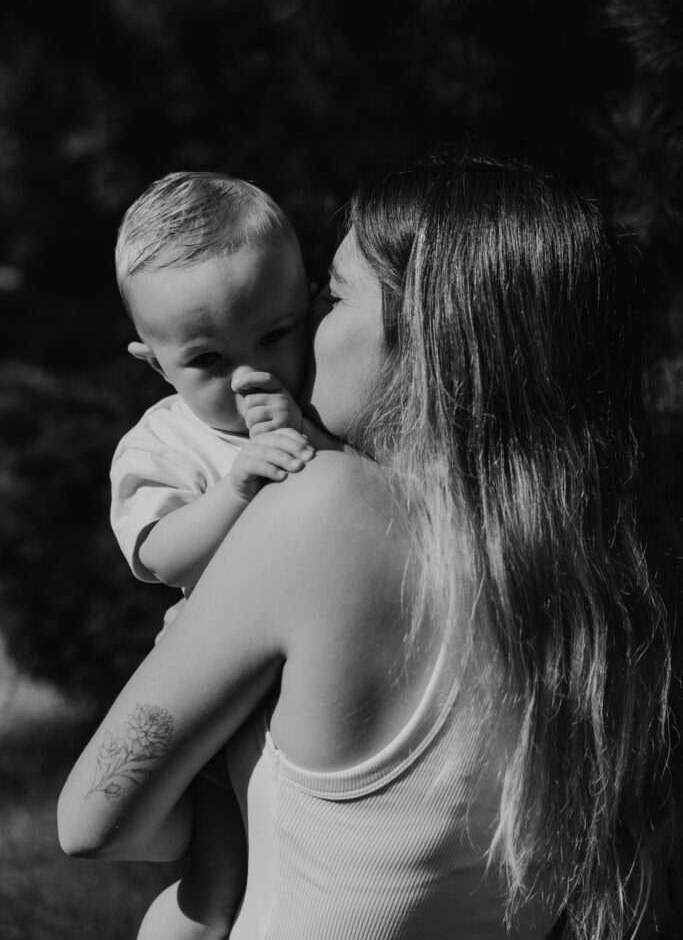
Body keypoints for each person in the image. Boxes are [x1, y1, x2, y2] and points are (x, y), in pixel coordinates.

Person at [59, 155, 680, 940]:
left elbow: (90, 822)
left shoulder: (325, 505)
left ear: (427, 332)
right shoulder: (611, 583)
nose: (307, 322)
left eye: (332, 293)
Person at [111, 171, 334, 939]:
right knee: (217, 883)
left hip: (320, 680)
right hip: (219, 689)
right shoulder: (164, 442)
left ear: (308, 305)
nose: (250, 374)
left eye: (274, 335)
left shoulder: (329, 404)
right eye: (207, 359)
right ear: (156, 363)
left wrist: (314, 441)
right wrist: (235, 488)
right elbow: (162, 554)